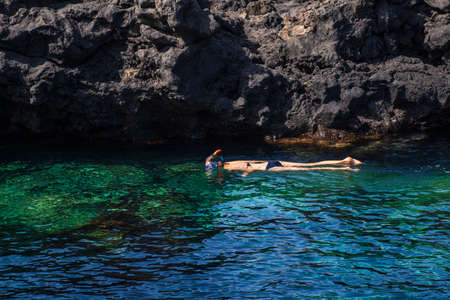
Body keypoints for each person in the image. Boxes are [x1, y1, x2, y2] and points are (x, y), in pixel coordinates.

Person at [205, 149, 362, 176]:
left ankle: (345, 170)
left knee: (310, 170)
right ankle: (345, 161)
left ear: (217, 163)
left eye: (209, 165)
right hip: (273, 161)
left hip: (268, 169)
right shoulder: (233, 161)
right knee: (311, 164)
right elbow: (251, 161)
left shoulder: (231, 168)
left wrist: (246, 174)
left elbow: (249, 167)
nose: (209, 167)